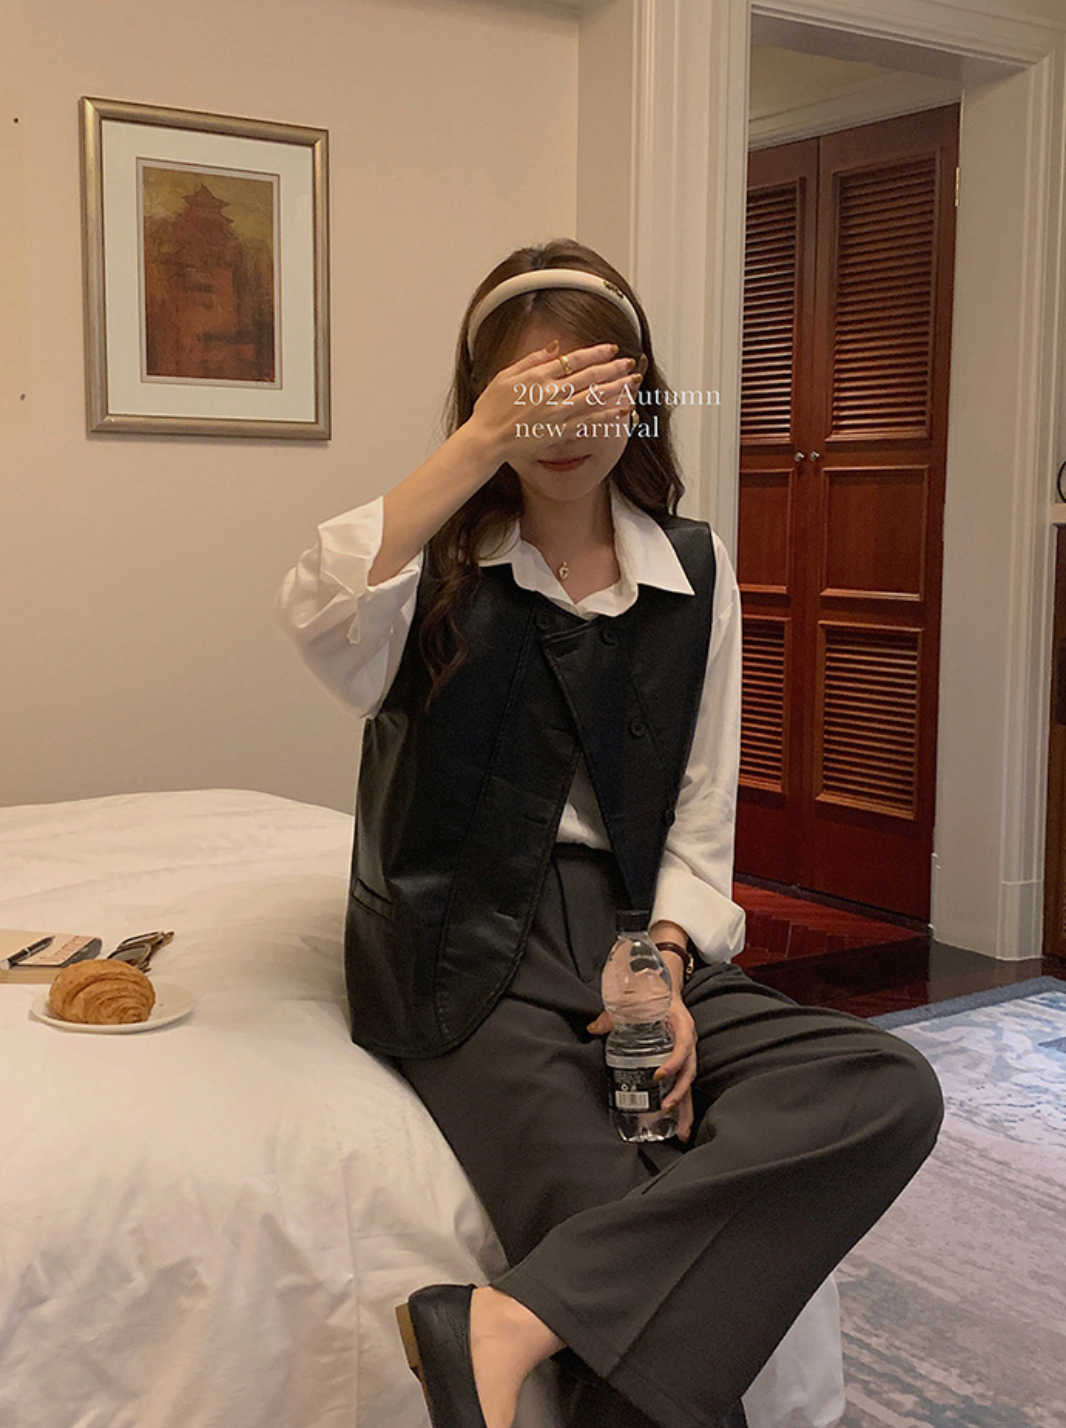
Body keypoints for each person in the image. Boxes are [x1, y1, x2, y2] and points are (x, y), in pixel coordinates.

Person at [276, 239, 944, 1428]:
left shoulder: (692, 567)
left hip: (630, 932)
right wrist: (473, 446)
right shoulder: (428, 564)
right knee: (613, 1209)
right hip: (458, 942)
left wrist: (668, 966)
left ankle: (501, 1321)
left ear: (638, 394)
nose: (565, 425)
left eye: (593, 389)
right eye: (533, 396)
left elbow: (701, 802)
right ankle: (531, 1327)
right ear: (485, 402)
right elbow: (319, 612)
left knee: (879, 1087)